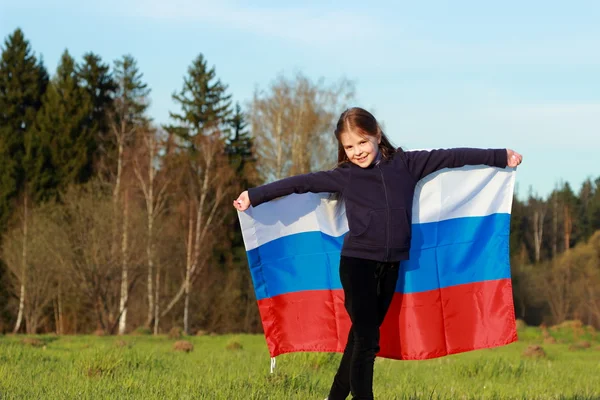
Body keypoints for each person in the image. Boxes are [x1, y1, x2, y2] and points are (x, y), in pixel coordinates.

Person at [233, 107, 523, 400]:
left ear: (376, 135)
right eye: (349, 146)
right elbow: (300, 183)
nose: (357, 152)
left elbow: (451, 156)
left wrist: (500, 156)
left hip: (390, 267)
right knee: (368, 341)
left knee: (360, 338)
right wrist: (253, 196)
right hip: (357, 265)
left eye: (362, 142)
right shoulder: (344, 176)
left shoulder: (407, 164)